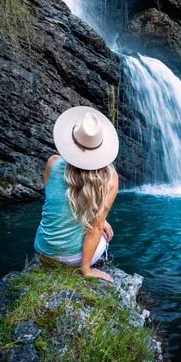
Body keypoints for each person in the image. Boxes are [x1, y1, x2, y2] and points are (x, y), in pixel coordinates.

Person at [34, 106, 119, 282]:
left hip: (43, 248)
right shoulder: (110, 178)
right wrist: (86, 270)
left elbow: (54, 200)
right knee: (104, 234)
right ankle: (95, 264)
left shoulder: (53, 162)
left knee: (101, 224)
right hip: (72, 258)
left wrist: (103, 220)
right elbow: (95, 226)